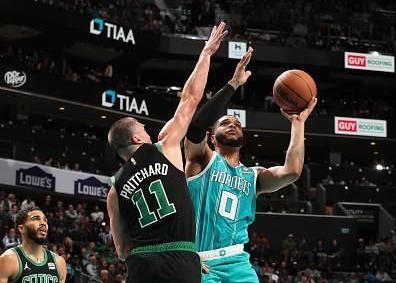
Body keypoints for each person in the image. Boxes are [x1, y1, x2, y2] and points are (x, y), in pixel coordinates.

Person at [106, 22, 228, 283]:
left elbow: (121, 250)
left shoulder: (114, 189)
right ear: (137, 137)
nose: (148, 131)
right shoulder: (165, 145)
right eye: (143, 128)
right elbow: (190, 99)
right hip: (180, 260)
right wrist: (206, 54)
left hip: (141, 267)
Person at [184, 49, 317, 283]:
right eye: (225, 123)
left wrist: (298, 125)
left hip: (238, 262)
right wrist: (233, 84)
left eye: (237, 124)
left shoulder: (253, 176)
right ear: (212, 138)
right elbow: (195, 128)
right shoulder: (201, 160)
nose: (233, 124)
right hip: (200, 260)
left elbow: (293, 171)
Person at [0, 206, 66, 283]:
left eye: (45, 220)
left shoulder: (59, 262)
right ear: (21, 228)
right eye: (36, 219)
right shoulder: (8, 260)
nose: (43, 223)